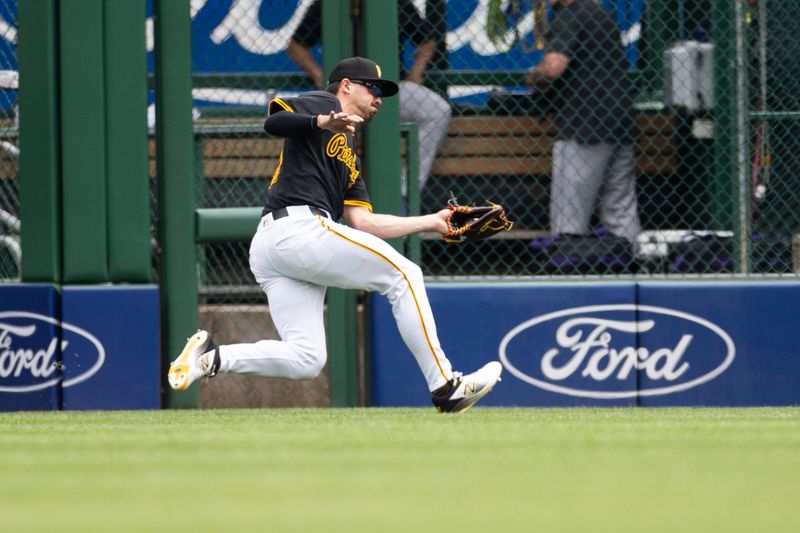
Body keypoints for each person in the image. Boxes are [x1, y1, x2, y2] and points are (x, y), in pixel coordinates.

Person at [167, 57, 502, 413]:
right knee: (405, 274)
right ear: (346, 85)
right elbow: (274, 121)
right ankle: (445, 386)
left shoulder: (349, 157)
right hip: (297, 229)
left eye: (382, 93)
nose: (378, 98)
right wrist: (323, 120)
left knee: (306, 358)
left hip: (278, 245)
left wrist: (432, 222)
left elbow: (365, 223)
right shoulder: (323, 103)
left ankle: (210, 359)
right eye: (372, 88)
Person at [286, 0, 451, 190]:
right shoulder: (326, 5)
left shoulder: (395, 4)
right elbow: (295, 46)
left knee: (438, 111)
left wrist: (416, 74)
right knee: (323, 120)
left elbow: (427, 41)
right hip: (344, 92)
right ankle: (327, 192)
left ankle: (406, 192)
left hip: (390, 90)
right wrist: (319, 75)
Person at [527, 0, 641, 243]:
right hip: (620, 121)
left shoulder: (570, 14)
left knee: (569, 215)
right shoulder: (599, 12)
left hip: (585, 125)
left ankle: (567, 267)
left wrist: (534, 76)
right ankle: (631, 264)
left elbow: (553, 67)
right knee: (620, 209)